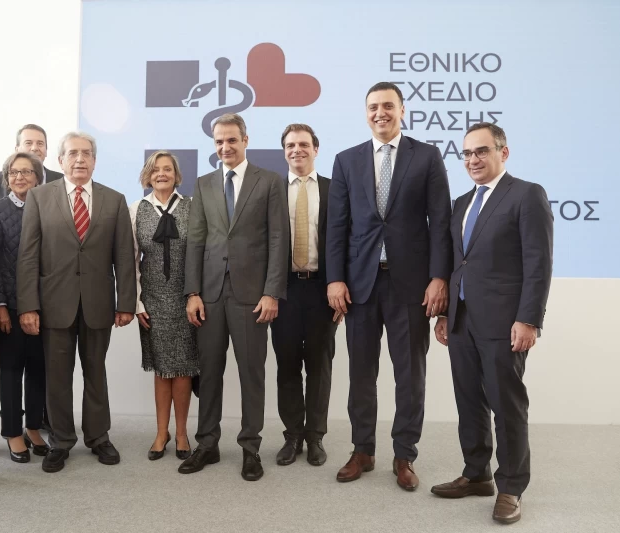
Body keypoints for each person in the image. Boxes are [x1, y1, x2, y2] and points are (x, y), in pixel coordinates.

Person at [327, 82, 452, 489]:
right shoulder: (347, 160)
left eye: (387, 106)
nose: (380, 113)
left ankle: (404, 455)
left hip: (411, 286)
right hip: (360, 286)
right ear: (366, 113)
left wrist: (439, 277)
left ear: (402, 110)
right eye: (372, 107)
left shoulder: (427, 156)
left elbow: (441, 223)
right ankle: (362, 450)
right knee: (361, 375)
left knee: (410, 376)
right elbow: (337, 227)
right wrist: (335, 278)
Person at [431, 123, 553, 524]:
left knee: (506, 404)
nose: (473, 160)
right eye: (467, 153)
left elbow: (538, 263)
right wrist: (446, 313)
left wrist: (529, 319)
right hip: (462, 320)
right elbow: (457, 262)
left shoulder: (527, 195)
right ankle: (477, 473)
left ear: (504, 152)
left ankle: (511, 487)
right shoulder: (462, 202)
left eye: (481, 151)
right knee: (469, 400)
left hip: (505, 322)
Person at [17, 131, 136, 473]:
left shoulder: (114, 199)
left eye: (86, 153)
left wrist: (126, 302)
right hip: (54, 304)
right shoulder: (39, 197)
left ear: (95, 160)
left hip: (99, 303)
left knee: (95, 372)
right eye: (73, 153)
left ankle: (98, 437)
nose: (80, 159)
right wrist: (28, 305)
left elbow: (124, 256)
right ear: (60, 160)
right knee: (57, 377)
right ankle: (61, 441)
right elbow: (28, 256)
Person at [180, 113, 288, 481]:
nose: (225, 147)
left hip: (252, 296)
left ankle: (250, 447)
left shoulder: (269, 181)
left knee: (251, 373)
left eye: (231, 140)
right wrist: (192, 292)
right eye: (219, 142)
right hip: (209, 294)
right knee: (209, 372)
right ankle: (207, 444)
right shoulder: (204, 184)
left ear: (245, 140)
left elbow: (279, 239)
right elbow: (196, 240)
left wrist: (272, 292)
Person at [270, 124, 340, 467]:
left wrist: (341, 286)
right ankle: (292, 435)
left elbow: (345, 241)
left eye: (303, 144)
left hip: (322, 289)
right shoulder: (271, 191)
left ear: (315, 149)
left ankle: (315, 437)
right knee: (286, 365)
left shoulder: (334, 189)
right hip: (282, 291)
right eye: (290, 145)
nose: (296, 150)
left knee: (319, 366)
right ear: (284, 151)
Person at [131, 150, 199, 461]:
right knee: (161, 369)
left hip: (186, 300)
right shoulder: (136, 209)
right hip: (152, 301)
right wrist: (136, 302)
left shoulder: (192, 207)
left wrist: (196, 294)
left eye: (168, 169)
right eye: (156, 169)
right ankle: (162, 432)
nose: (162, 174)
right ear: (148, 175)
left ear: (176, 175)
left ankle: (182, 433)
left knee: (183, 369)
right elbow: (131, 260)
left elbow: (199, 255)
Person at [0, 152, 49, 463]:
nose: (19, 177)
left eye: (26, 172)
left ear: (38, 176)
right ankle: (12, 431)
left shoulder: (48, 206)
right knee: (11, 369)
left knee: (39, 369)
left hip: (44, 305)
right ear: (6, 178)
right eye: (13, 172)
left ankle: (33, 427)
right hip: (8, 306)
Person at [0, 124, 63, 202]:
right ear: (17, 149)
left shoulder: (61, 180)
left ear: (46, 150)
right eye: (28, 143)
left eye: (40, 143)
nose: (35, 148)